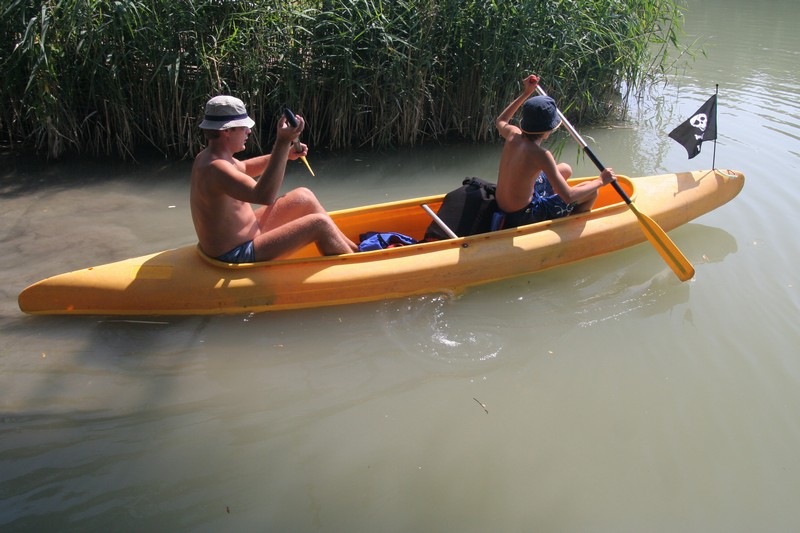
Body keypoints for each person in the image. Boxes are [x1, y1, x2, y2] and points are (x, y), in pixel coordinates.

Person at [190, 95, 358, 263]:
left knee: (304, 196)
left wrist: (286, 154)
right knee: (319, 224)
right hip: (236, 253)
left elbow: (245, 168)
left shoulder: (210, 157)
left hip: (248, 235)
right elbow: (264, 196)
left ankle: (355, 250)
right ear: (226, 131)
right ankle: (356, 265)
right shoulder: (216, 168)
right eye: (243, 127)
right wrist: (282, 142)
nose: (249, 131)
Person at [494, 74, 616, 229]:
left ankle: (553, 203)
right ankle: (569, 230)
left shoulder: (513, 133)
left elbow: (501, 121)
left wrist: (526, 93)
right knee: (592, 192)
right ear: (548, 130)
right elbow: (568, 196)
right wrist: (601, 181)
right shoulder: (542, 155)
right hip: (523, 215)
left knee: (565, 169)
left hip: (502, 205)